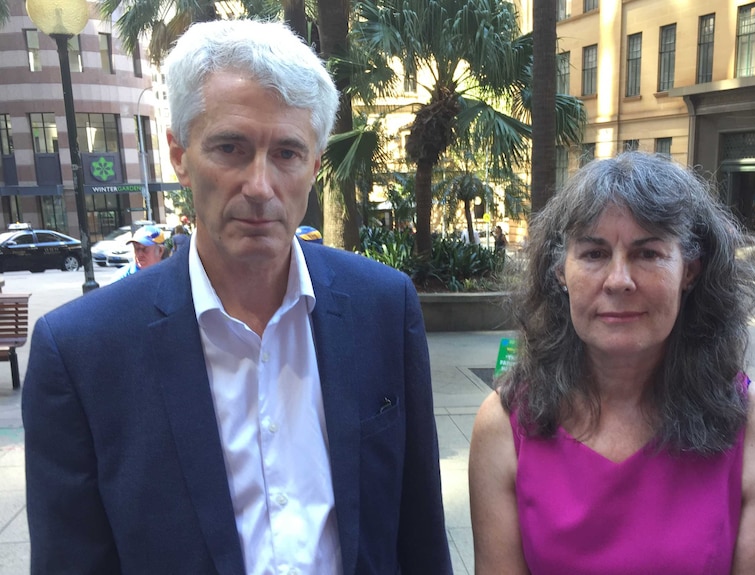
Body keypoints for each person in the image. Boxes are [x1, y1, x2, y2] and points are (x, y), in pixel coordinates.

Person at [23, 19, 451, 575]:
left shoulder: (383, 307)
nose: (259, 185)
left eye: (287, 153)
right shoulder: (81, 353)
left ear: (315, 165)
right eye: (230, 147)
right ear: (179, 153)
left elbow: (419, 535)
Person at [469, 152, 755, 574]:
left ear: (690, 272)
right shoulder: (503, 425)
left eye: (648, 254)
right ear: (560, 272)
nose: (619, 280)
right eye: (593, 254)